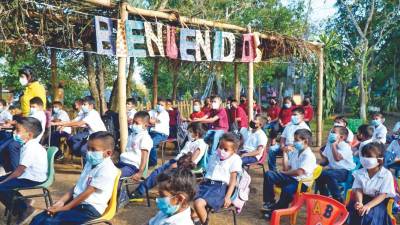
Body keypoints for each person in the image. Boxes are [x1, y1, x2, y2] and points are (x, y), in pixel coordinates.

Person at [30, 131, 119, 225]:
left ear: (108, 153)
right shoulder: (90, 163)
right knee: (39, 218)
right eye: (88, 148)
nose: (88, 152)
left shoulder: (107, 169)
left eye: (93, 149)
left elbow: (86, 193)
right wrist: (61, 201)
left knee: (49, 222)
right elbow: (78, 186)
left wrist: (65, 208)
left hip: (89, 209)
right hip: (77, 203)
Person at [131, 122, 206, 199]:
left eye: (190, 131)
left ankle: (144, 192)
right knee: (156, 172)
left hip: (184, 166)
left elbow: (192, 159)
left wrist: (178, 165)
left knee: (163, 176)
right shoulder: (189, 142)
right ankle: (139, 191)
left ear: (196, 133)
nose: (188, 133)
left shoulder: (201, 144)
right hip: (175, 161)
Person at [0, 117, 47, 224]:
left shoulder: (31, 148)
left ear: (30, 135)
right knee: (2, 183)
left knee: (1, 187)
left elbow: (19, 171)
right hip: (28, 174)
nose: (14, 133)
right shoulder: (28, 144)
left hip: (33, 178)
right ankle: (25, 202)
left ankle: (25, 209)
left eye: (18, 130)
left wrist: (5, 180)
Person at [262, 129, 316, 219]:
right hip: (291, 178)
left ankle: (276, 212)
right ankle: (269, 202)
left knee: (286, 190)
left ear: (305, 141)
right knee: (269, 174)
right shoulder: (296, 152)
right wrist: (285, 153)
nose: (294, 142)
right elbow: (286, 168)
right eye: (294, 139)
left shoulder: (309, 156)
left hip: (302, 183)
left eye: (296, 140)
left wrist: (285, 173)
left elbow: (299, 172)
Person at [193, 133, 242, 225]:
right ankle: (196, 219)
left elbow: (233, 181)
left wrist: (228, 196)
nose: (221, 150)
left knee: (198, 203)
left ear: (234, 151)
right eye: (220, 146)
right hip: (206, 184)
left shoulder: (235, 159)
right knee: (184, 196)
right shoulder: (215, 155)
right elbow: (209, 172)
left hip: (219, 188)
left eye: (226, 149)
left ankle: (204, 223)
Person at [347, 142, 395, 225]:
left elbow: (382, 195)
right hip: (362, 199)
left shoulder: (386, 175)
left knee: (368, 215)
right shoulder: (359, 173)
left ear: (379, 160)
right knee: (353, 212)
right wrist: (359, 203)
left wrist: (368, 206)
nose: (365, 158)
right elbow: (358, 189)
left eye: (369, 156)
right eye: (364, 156)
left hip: (377, 202)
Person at [316, 126, 356, 202]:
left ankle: (338, 199)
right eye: (331, 132)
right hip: (333, 170)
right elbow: (325, 160)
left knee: (329, 175)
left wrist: (334, 145)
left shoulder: (345, 146)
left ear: (341, 137)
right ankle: (324, 196)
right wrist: (316, 164)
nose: (331, 134)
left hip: (346, 171)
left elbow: (337, 158)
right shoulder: (329, 144)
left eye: (334, 132)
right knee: (319, 174)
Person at [268, 107, 310, 171]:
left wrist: (290, 147)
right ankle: (273, 170)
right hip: (285, 146)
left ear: (302, 116)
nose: (292, 116)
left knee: (289, 153)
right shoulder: (289, 124)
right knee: (272, 149)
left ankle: (288, 172)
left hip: (296, 148)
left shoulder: (305, 128)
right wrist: (282, 146)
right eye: (292, 115)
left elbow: (304, 144)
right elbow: (283, 137)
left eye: (295, 115)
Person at [116, 111, 152, 181]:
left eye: (137, 123)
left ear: (145, 125)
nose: (134, 125)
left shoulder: (145, 138)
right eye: (133, 122)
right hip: (123, 162)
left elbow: (144, 157)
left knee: (115, 175)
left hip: (132, 166)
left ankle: (121, 191)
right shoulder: (132, 135)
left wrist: (140, 173)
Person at [148, 99, 170, 167]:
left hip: (161, 134)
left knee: (151, 144)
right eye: (158, 104)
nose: (159, 106)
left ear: (165, 106)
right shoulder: (152, 112)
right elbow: (147, 119)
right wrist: (151, 121)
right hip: (151, 132)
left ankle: (153, 162)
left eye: (162, 105)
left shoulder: (165, 114)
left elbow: (155, 121)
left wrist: (152, 121)